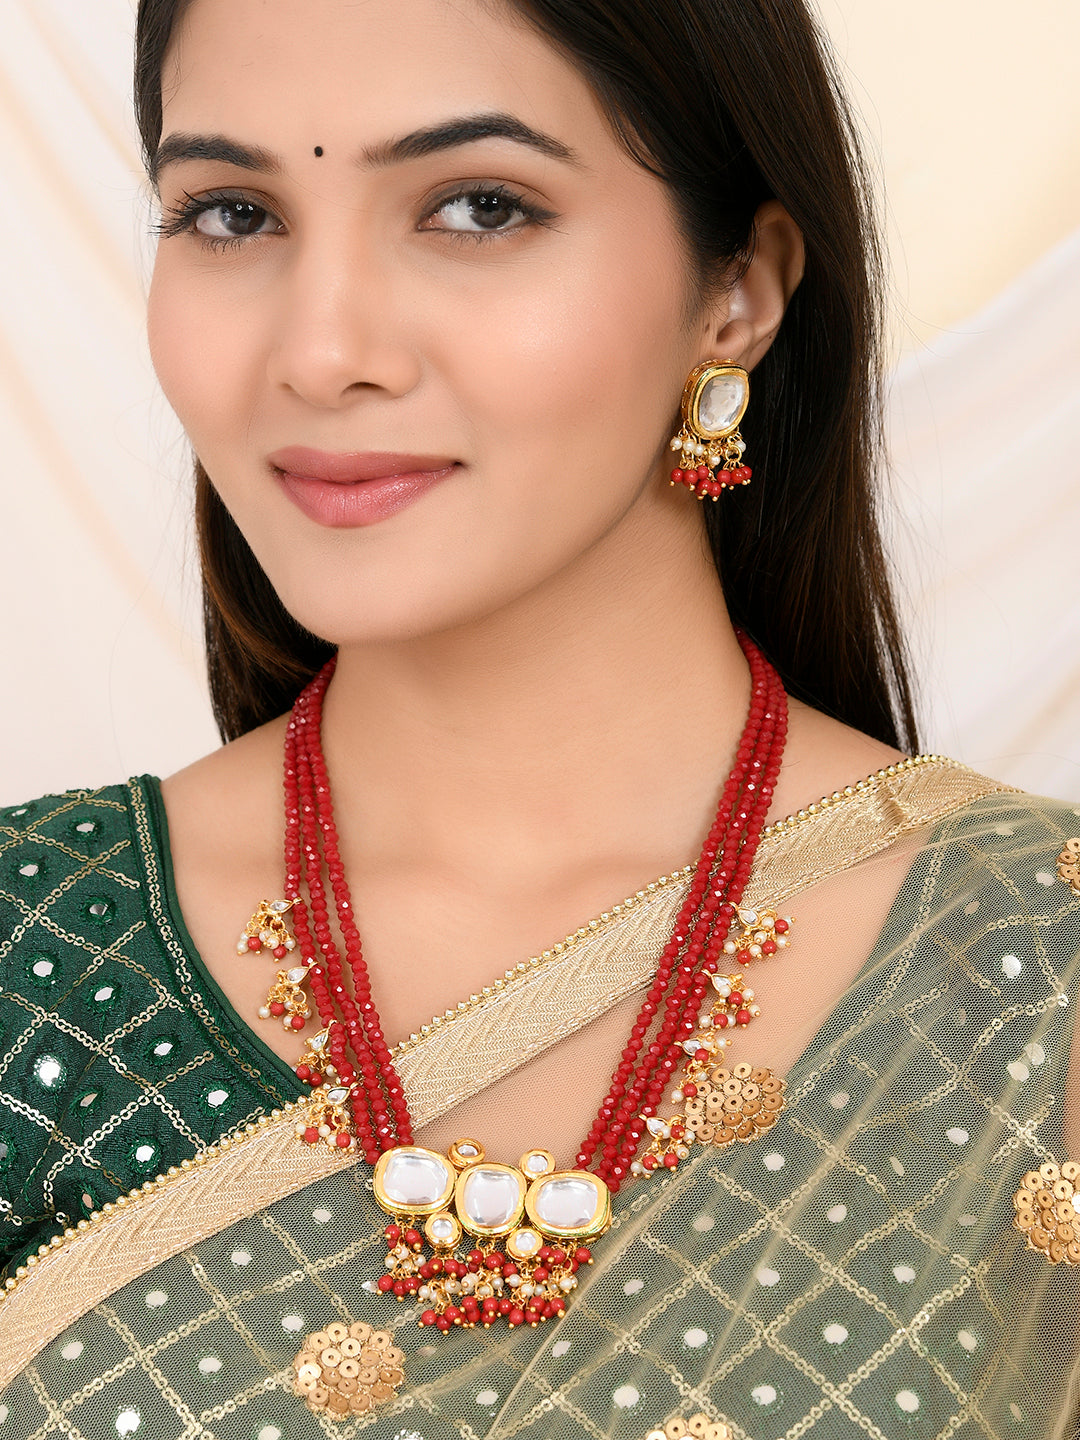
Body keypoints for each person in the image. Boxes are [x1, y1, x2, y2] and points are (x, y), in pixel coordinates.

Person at [1, 0, 1077, 1435]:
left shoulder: (1032, 983)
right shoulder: (34, 956)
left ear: (738, 291)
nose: (321, 352)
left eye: (479, 205)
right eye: (232, 213)